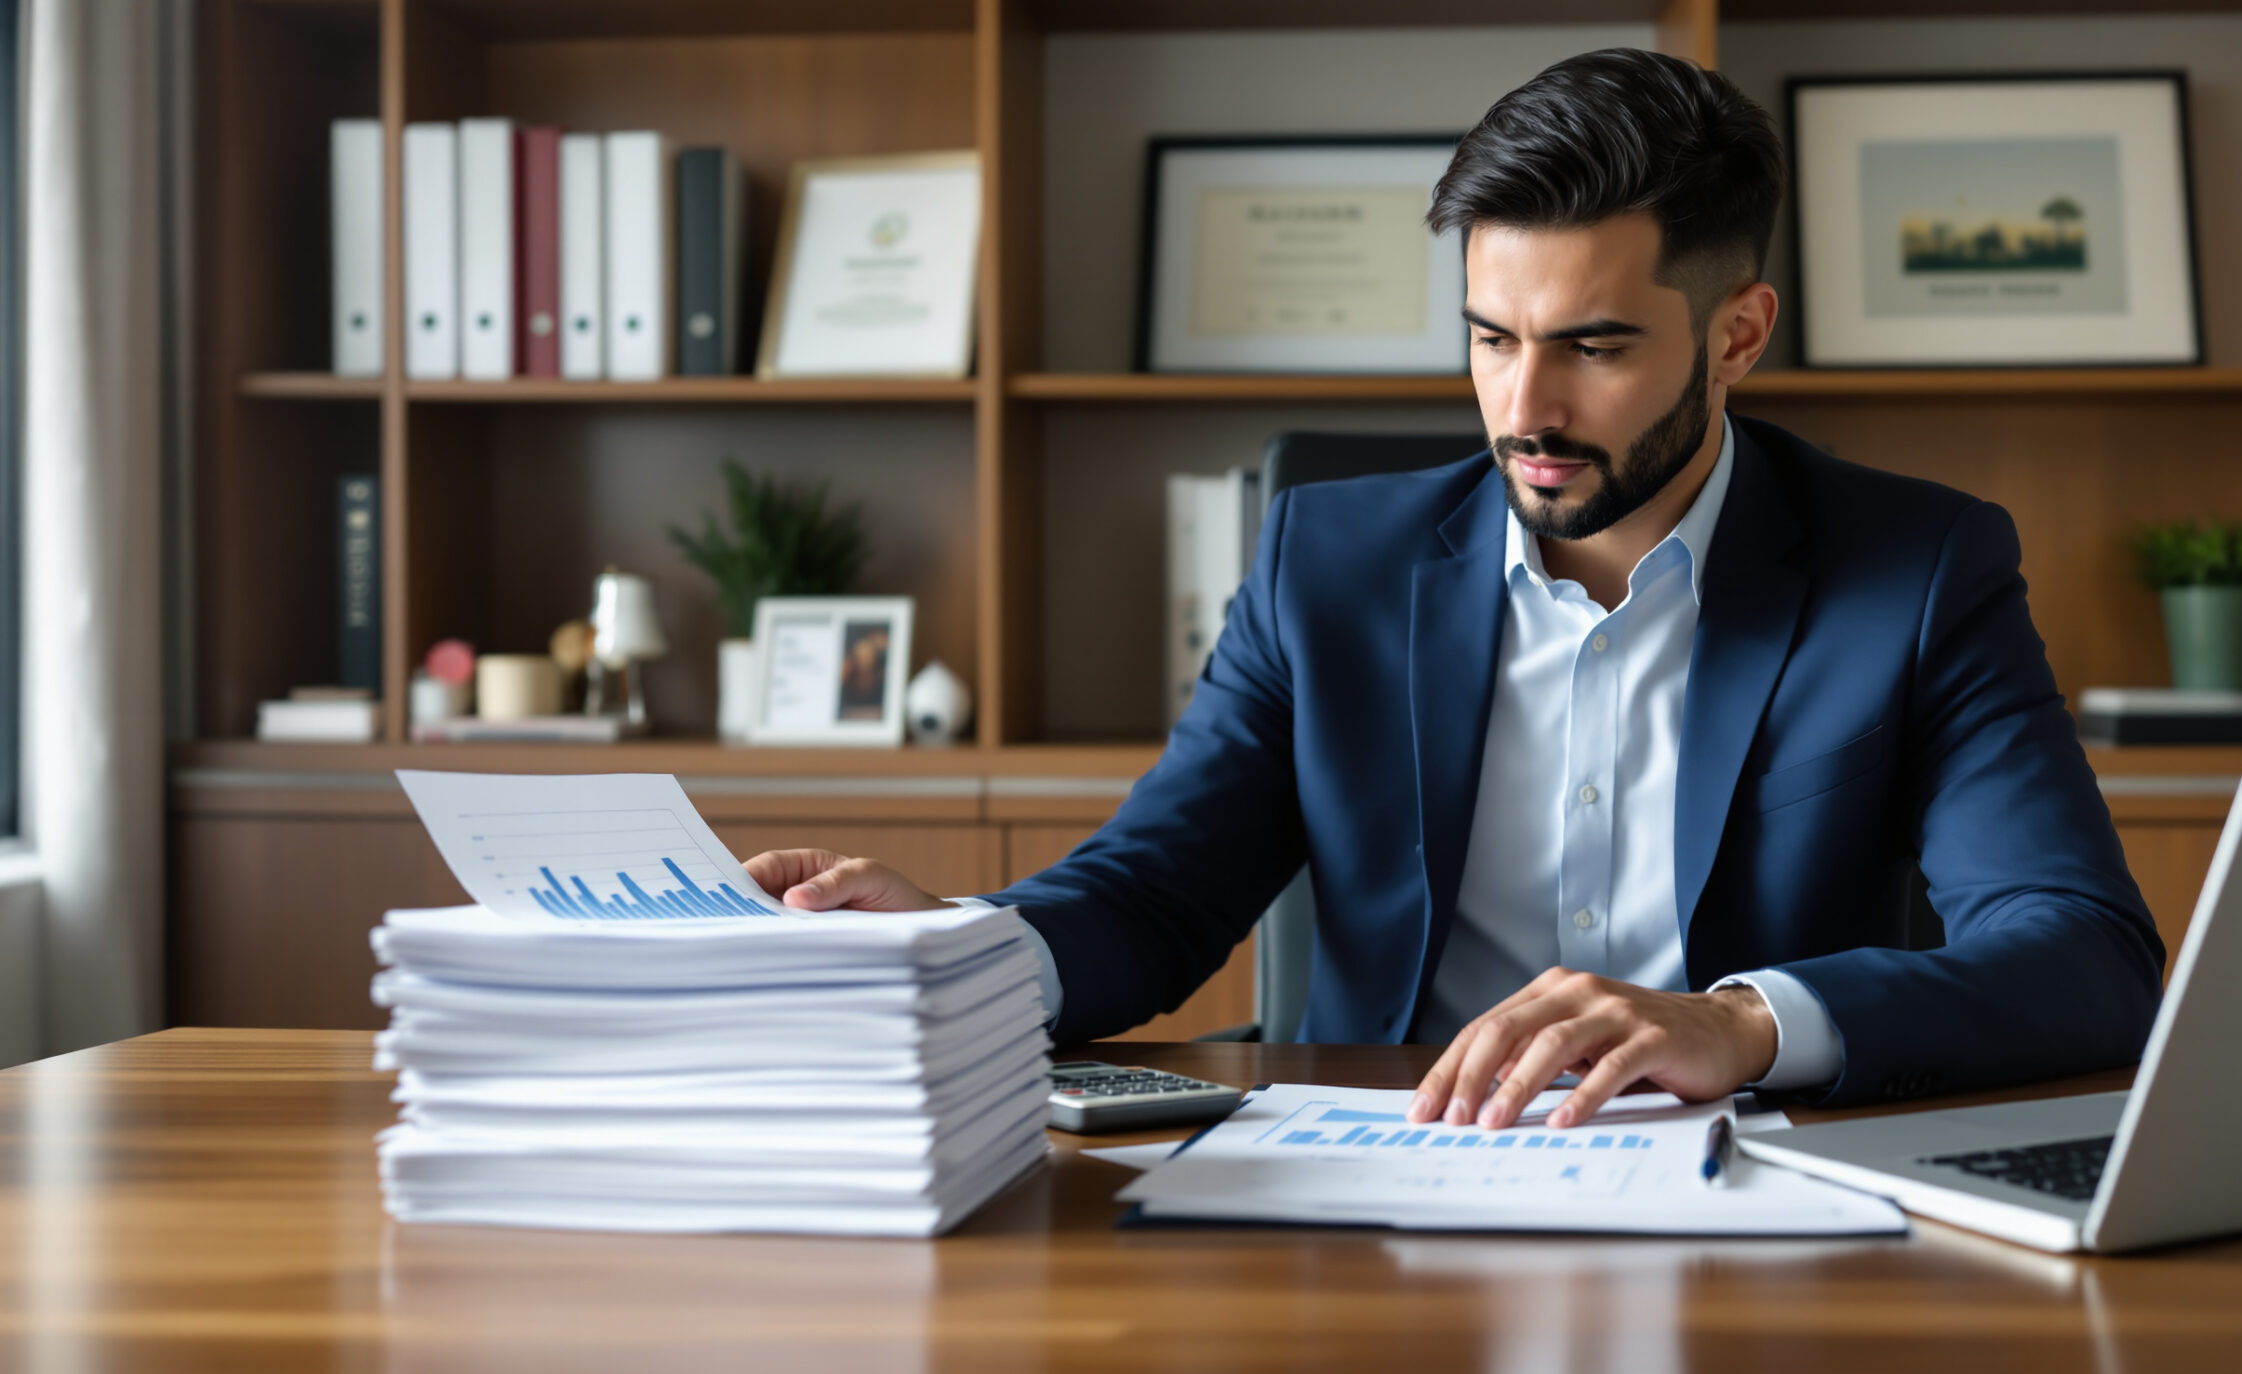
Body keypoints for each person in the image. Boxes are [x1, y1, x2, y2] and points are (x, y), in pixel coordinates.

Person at [745, 48, 2163, 1129]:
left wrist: (1741, 1021)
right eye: (1491, 338)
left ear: (1738, 335)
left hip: (1757, 1193)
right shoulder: (1327, 563)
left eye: (1595, 347)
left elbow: (2083, 951)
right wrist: (957, 948)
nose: (1523, 407)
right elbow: (1157, 893)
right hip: (1384, 1168)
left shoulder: (1914, 571)